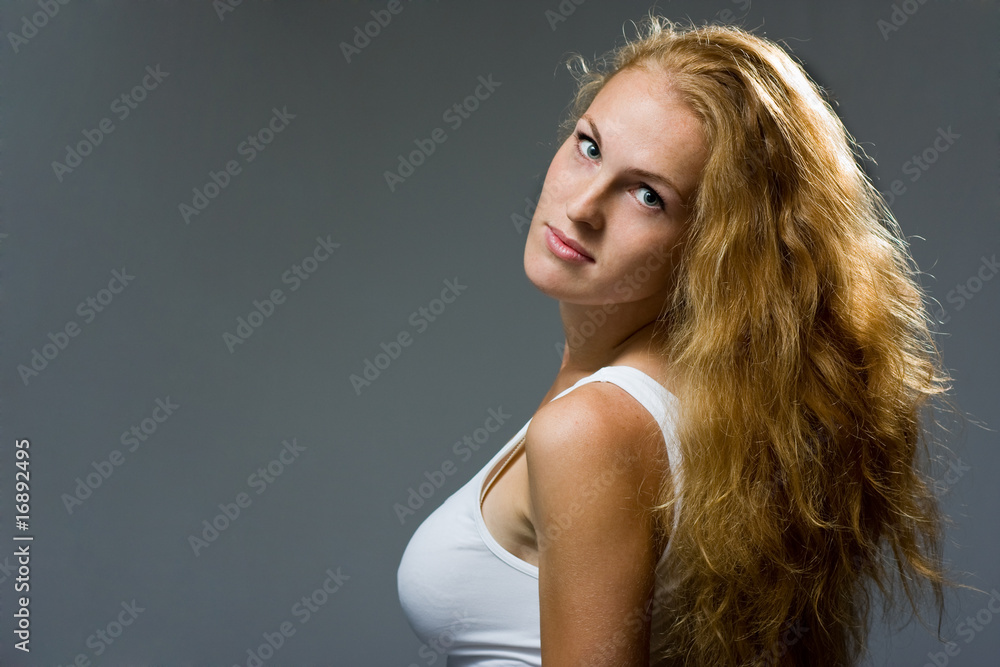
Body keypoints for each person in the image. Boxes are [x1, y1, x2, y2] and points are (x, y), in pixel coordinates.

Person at [398, 13, 959, 666]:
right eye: (589, 147)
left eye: (647, 195)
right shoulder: (706, 404)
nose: (582, 207)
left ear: (715, 248)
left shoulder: (593, 429)